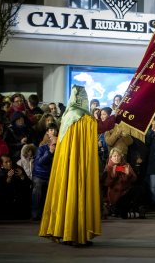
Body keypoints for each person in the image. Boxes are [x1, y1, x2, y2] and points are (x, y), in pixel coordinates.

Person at [39, 85, 101, 246]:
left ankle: (63, 232)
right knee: (77, 195)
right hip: (79, 166)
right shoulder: (84, 119)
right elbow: (93, 133)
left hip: (65, 167)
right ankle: (77, 236)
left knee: (64, 194)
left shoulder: (66, 117)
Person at [102, 147, 137, 219]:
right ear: (111, 157)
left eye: (118, 156)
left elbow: (134, 179)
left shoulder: (126, 165)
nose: (117, 158)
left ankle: (132, 211)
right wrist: (113, 175)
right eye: (114, 156)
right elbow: (106, 184)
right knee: (122, 209)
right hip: (115, 195)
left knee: (138, 189)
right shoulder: (108, 167)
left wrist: (128, 174)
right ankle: (119, 210)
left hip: (126, 192)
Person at [31, 136, 56, 221]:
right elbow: (40, 162)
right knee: (37, 189)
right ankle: (35, 213)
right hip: (39, 175)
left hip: (51, 176)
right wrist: (49, 152)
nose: (56, 146)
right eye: (54, 144)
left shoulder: (59, 150)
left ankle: (51, 214)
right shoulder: (41, 149)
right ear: (49, 143)